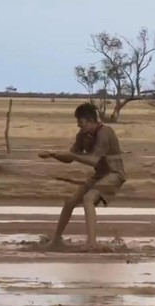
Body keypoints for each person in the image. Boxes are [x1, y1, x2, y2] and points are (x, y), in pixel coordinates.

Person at [39, 103, 126, 250]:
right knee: (70, 202)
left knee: (88, 199)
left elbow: (93, 160)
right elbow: (71, 158)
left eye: (81, 123)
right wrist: (53, 155)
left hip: (114, 174)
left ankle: (91, 243)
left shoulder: (105, 133)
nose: (79, 126)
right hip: (99, 175)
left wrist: (72, 155)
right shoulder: (82, 135)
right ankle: (56, 239)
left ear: (91, 120)